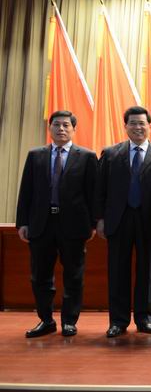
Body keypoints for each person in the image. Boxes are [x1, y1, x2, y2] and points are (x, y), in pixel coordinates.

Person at [16, 110, 97, 337]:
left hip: (73, 225)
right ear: (50, 128)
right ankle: (46, 320)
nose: (61, 129)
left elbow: (93, 193)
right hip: (41, 224)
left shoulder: (87, 156)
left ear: (74, 129)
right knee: (40, 276)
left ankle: (69, 321)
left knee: (74, 276)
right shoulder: (35, 156)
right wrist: (22, 222)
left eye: (66, 125)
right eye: (56, 125)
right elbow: (26, 191)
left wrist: (92, 223)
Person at [95, 106, 151, 338]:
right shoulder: (110, 154)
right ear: (125, 126)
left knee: (147, 271)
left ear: (149, 126)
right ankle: (118, 321)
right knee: (118, 271)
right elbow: (100, 190)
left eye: (142, 123)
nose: (137, 127)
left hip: (149, 222)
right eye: (133, 123)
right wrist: (100, 219)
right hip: (118, 220)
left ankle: (146, 319)